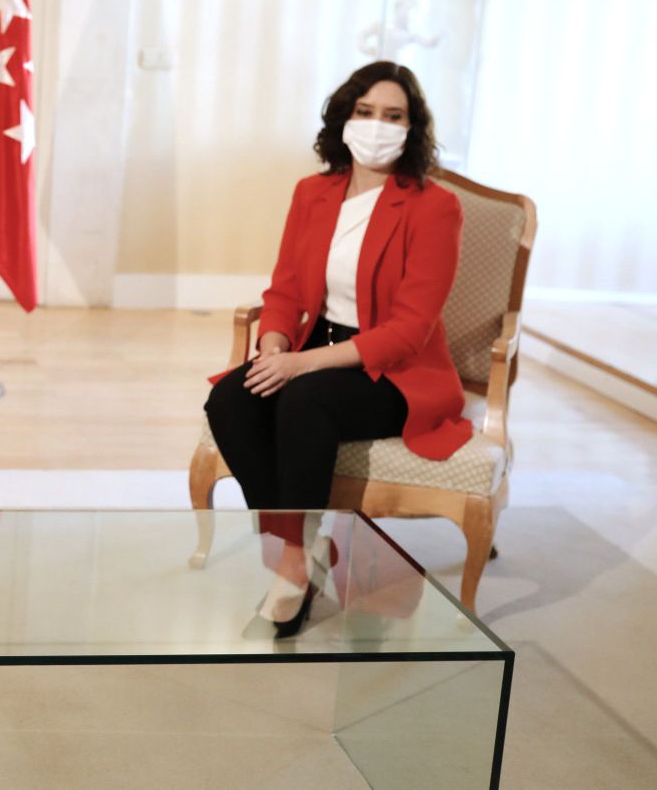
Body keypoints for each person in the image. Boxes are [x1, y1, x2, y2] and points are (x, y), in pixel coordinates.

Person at [202, 60, 472, 636]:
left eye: (393, 116)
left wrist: (298, 365)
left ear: (413, 127)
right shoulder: (313, 193)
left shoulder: (434, 206)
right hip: (313, 346)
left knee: (304, 402)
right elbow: (284, 292)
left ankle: (291, 570)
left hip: (393, 371)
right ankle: (297, 550)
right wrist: (275, 344)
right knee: (230, 400)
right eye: (366, 112)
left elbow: (408, 331)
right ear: (344, 119)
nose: (378, 126)